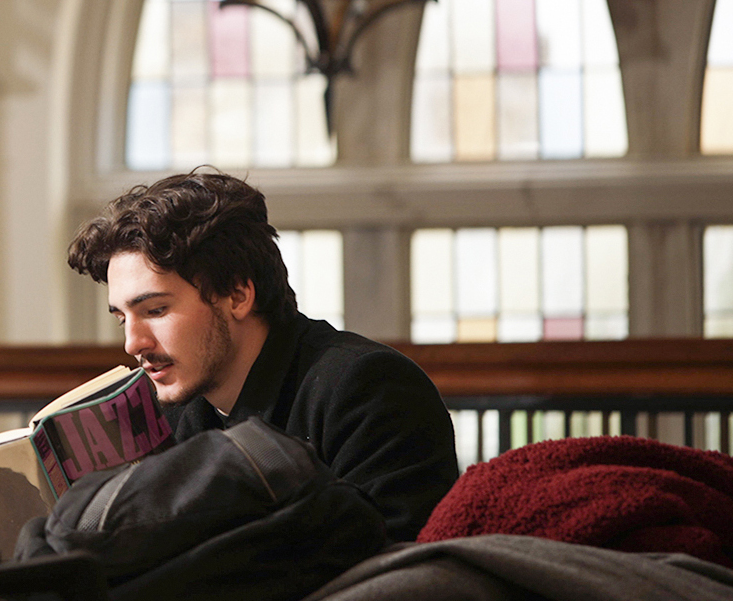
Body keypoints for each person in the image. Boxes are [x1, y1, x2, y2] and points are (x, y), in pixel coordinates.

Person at [66, 170, 458, 541]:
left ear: (238, 295)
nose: (133, 344)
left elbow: (395, 580)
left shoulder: (369, 388)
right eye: (122, 318)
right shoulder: (173, 414)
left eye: (155, 311)